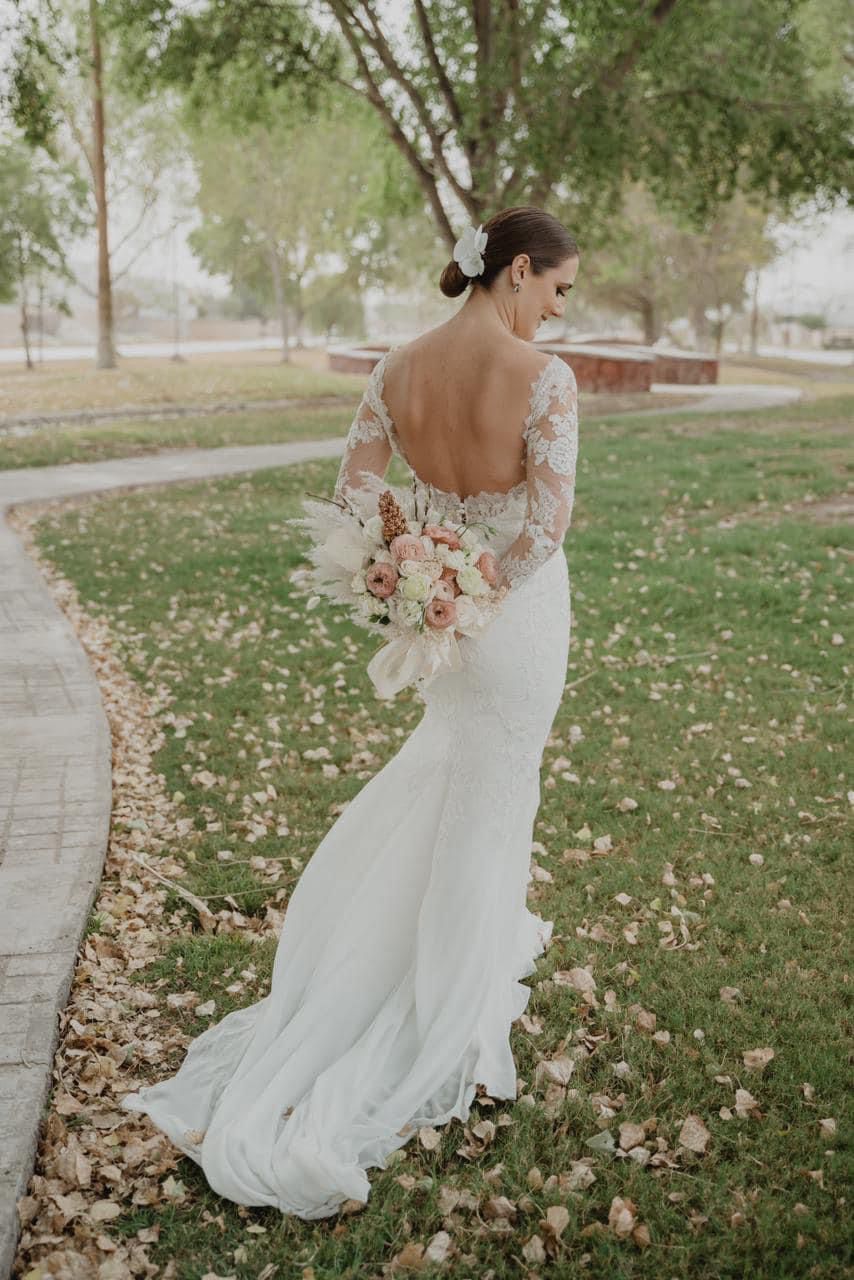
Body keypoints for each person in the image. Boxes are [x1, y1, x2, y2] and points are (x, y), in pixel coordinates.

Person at [119, 204, 581, 1220]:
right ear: (512, 272)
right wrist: (473, 588)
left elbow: (355, 491)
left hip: (446, 628)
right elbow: (545, 521)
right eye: (555, 287)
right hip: (505, 621)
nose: (558, 308)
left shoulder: (395, 368)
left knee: (454, 777)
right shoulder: (542, 379)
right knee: (492, 795)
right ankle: (447, 1012)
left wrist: (413, 580)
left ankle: (419, 962)